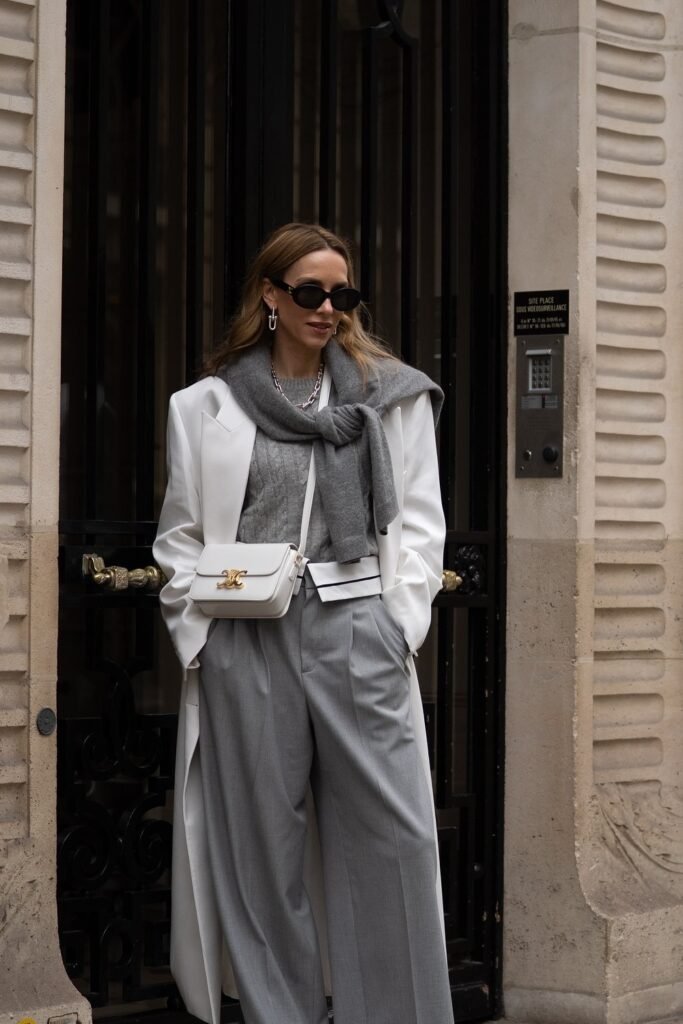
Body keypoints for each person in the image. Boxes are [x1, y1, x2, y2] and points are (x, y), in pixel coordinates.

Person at [153, 222, 454, 1024]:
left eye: (340, 294)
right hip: (246, 635)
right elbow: (180, 535)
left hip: (358, 625)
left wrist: (399, 623)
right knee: (260, 849)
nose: (327, 308)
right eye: (310, 292)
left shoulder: (388, 396)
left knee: (394, 838)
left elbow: (420, 522)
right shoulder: (206, 406)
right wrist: (201, 637)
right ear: (270, 296)